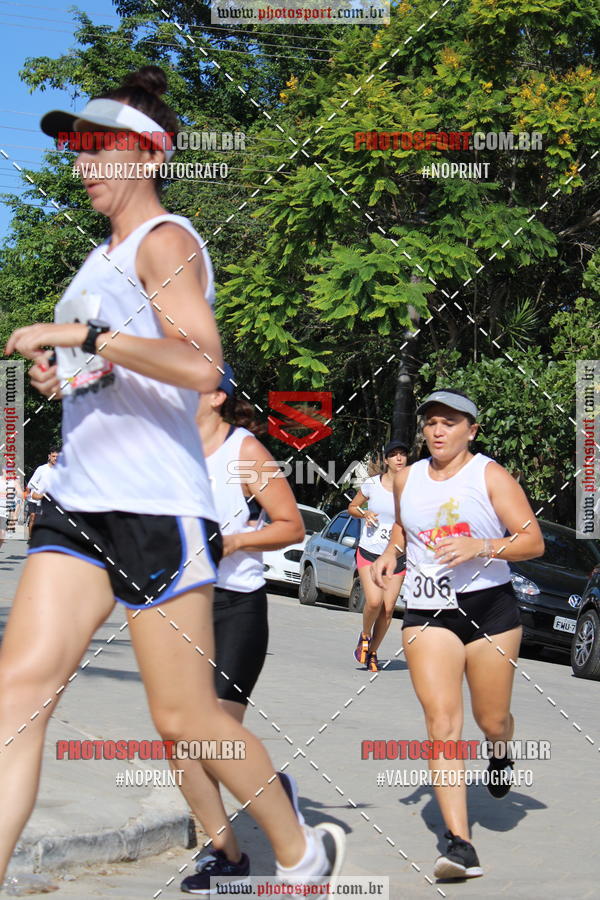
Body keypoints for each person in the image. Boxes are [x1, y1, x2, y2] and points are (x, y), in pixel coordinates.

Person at [0, 65, 345, 888]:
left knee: (184, 716)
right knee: (17, 695)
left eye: (92, 149)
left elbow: (201, 365)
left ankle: (299, 851)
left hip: (157, 509)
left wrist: (83, 336)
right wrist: (66, 374)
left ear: (142, 155)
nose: (78, 165)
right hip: (80, 503)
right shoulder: (96, 260)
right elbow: (116, 372)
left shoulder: (166, 241)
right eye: (73, 150)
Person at [371, 389, 544, 879]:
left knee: (491, 720)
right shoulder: (406, 478)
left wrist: (480, 545)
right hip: (428, 610)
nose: (438, 430)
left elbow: (532, 541)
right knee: (443, 724)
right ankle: (459, 844)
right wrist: (391, 553)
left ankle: (501, 747)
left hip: (489, 610)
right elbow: (405, 530)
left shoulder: (490, 475)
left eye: (450, 421)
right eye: (430, 422)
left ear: (472, 429)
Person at [181, 364, 306, 893]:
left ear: (216, 395)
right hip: (183, 607)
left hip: (237, 606)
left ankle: (271, 792)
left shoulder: (245, 453)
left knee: (212, 735)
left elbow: (291, 525)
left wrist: (231, 542)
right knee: (180, 742)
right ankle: (226, 854)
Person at [347, 441, 408, 672]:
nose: (399, 459)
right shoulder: (372, 484)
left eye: (403, 454)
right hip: (370, 552)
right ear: (386, 460)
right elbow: (352, 507)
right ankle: (364, 636)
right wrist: (365, 512)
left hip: (398, 555)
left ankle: (372, 652)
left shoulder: (412, 488)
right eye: (394, 455)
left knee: (388, 608)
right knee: (374, 601)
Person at [26, 448, 59, 537]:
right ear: (49, 456)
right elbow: (30, 484)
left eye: (57, 457)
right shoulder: (41, 469)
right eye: (53, 456)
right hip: (35, 498)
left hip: (48, 500)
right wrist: (39, 492)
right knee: (33, 517)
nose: (55, 458)